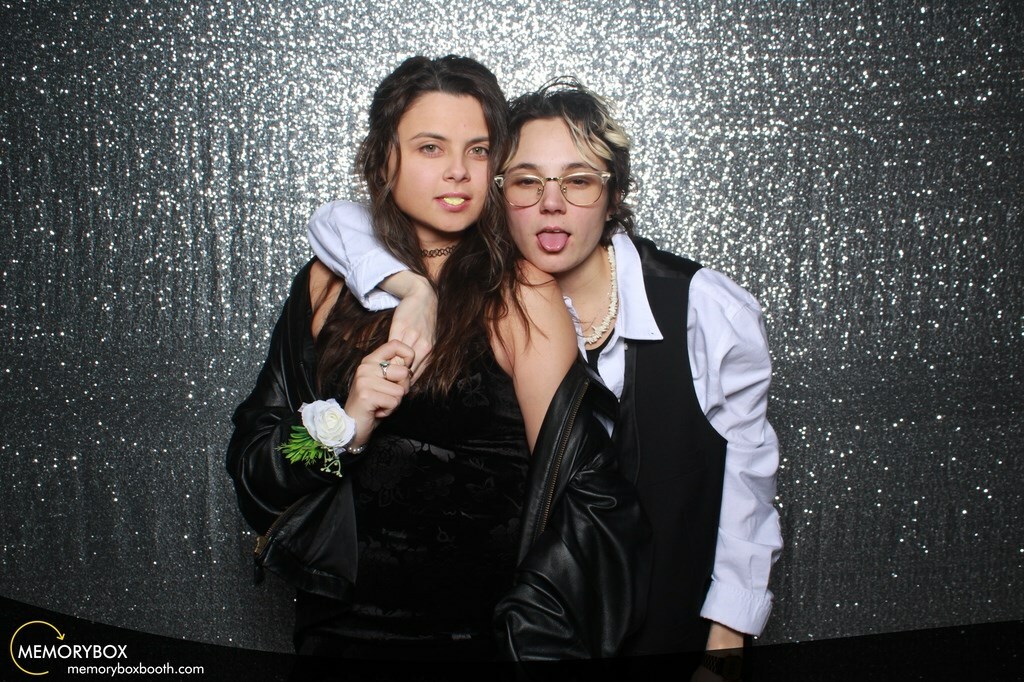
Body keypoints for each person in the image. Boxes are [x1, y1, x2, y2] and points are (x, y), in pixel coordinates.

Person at [307, 79, 782, 675]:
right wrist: (410, 291)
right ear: (497, 193)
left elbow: (747, 489)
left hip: (668, 634)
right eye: (527, 181)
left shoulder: (703, 308)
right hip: (525, 635)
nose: (551, 203)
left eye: (578, 181)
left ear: (613, 195)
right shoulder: (484, 297)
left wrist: (725, 649)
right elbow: (343, 219)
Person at [226, 60, 649, 662]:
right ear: (384, 159)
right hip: (333, 637)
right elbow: (255, 471)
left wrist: (532, 641)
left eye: (478, 150)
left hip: (476, 644)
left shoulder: (519, 294)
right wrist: (343, 426)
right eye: (431, 147)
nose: (458, 171)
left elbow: (582, 496)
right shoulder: (326, 285)